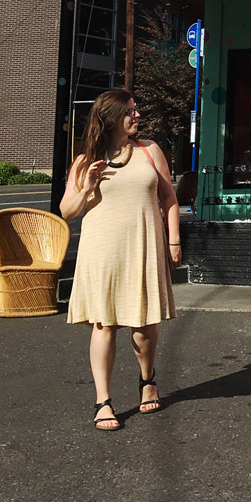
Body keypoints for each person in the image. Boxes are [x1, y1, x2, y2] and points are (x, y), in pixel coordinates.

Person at [60, 89, 182, 431]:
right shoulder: (86, 160)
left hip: (143, 245)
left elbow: (169, 196)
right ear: (110, 117)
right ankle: (103, 401)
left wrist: (174, 240)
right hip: (102, 250)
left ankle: (147, 379)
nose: (137, 115)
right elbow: (67, 211)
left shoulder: (150, 151)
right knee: (105, 324)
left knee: (144, 325)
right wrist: (87, 187)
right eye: (130, 111)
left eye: (136, 109)